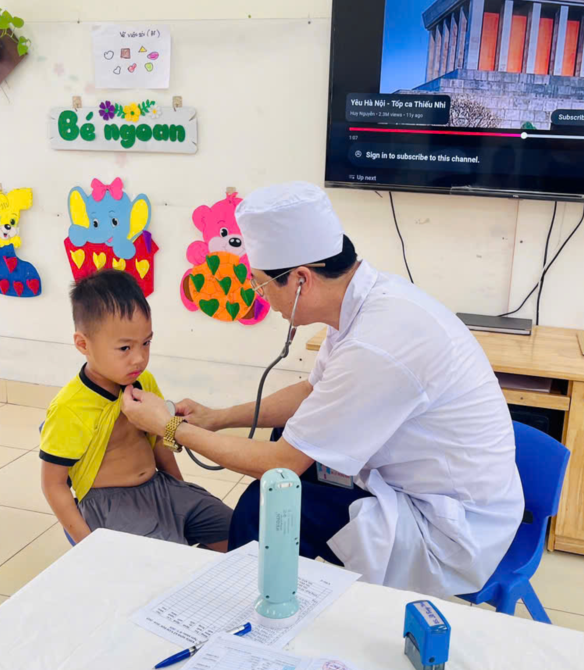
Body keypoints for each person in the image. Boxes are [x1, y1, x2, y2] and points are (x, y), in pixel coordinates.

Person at [121, 183, 523, 598]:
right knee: (285, 448)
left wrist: (169, 428)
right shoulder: (364, 300)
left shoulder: (377, 344)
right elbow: (313, 392)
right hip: (429, 481)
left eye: (261, 285)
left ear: (300, 280)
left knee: (265, 505)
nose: (263, 299)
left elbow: (281, 464)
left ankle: (249, 613)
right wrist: (217, 418)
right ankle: (272, 586)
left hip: (448, 529)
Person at [39, 270, 232, 549]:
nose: (139, 358)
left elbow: (159, 441)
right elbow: (53, 484)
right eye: (124, 348)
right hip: (110, 503)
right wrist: (87, 545)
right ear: (83, 344)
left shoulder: (144, 382)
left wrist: (180, 491)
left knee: (237, 529)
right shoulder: (70, 407)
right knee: (169, 559)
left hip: (160, 486)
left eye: (146, 343)